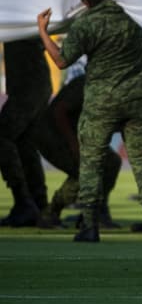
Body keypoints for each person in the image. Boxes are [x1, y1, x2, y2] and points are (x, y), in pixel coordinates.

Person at [36, 0, 142, 243]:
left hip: (100, 103)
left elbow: (61, 61)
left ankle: (90, 226)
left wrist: (43, 32)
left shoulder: (86, 24)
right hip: (136, 99)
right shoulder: (131, 17)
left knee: (91, 163)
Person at [32, 75, 123, 229]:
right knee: (86, 172)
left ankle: (96, 211)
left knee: (112, 162)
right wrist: (74, 143)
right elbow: (60, 112)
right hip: (52, 135)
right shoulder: (88, 82)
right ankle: (50, 213)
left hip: (79, 136)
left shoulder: (116, 85)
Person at [0, 38, 52, 227]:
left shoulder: (18, 12)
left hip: (28, 87)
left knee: (3, 136)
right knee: (24, 143)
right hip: (35, 85)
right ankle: (38, 203)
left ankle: (24, 201)